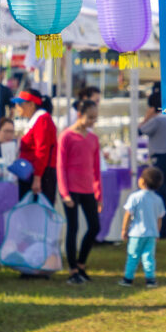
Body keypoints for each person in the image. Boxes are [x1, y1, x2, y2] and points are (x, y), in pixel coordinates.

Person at [58, 99, 102, 285]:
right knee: (73, 228)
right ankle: (72, 270)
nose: (93, 121)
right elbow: (60, 166)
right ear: (79, 115)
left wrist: (98, 194)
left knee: (94, 227)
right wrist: (65, 193)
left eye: (95, 118)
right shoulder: (66, 136)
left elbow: (96, 169)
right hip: (70, 190)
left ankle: (81, 264)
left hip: (87, 189)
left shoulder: (93, 139)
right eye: (90, 117)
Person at [138, 92, 166, 238]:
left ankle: (165, 230)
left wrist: (146, 118)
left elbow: (139, 130)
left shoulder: (157, 120)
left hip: (161, 159)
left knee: (162, 195)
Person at [120, 166, 165, 287]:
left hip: (136, 233)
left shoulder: (135, 197)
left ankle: (128, 278)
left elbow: (128, 214)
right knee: (148, 257)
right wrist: (157, 232)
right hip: (151, 234)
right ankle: (150, 279)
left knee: (133, 256)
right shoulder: (158, 199)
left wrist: (124, 229)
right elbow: (159, 218)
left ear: (142, 181)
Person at [14, 88, 57, 203]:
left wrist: (37, 178)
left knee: (37, 215)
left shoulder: (42, 120)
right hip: (33, 174)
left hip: (40, 176)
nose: (17, 107)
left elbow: (42, 151)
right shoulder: (37, 120)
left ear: (31, 104)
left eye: (20, 104)